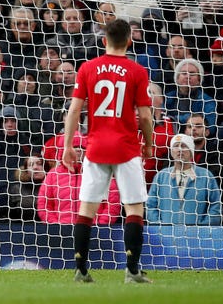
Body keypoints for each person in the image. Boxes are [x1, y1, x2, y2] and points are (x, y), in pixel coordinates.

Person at [62, 19, 154, 283]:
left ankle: (80, 269)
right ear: (129, 40)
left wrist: (68, 146)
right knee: (134, 208)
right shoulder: (137, 70)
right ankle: (132, 270)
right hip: (126, 147)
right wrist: (148, 143)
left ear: (104, 41)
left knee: (86, 209)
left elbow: (75, 110)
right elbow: (146, 117)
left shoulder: (88, 68)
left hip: (96, 147)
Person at [38, 136, 122, 225]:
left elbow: (113, 203)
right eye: (74, 146)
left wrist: (100, 225)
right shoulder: (53, 174)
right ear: (64, 150)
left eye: (82, 147)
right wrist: (55, 225)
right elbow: (44, 205)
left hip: (94, 230)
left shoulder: (101, 172)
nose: (79, 150)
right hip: (60, 231)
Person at [146, 134, 222, 225]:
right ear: (171, 151)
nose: (179, 149)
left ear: (191, 151)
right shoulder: (161, 176)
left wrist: (202, 227)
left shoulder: (206, 176)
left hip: (197, 236)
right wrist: (160, 226)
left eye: (183, 146)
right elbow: (150, 206)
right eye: (176, 146)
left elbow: (216, 207)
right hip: (166, 236)